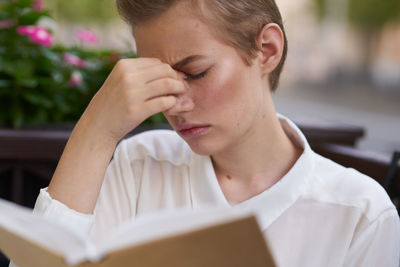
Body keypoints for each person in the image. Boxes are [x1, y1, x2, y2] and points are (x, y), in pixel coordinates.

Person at [10, 0, 400, 266]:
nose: (174, 104)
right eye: (157, 79)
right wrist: (95, 133)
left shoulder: (360, 214)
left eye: (195, 72)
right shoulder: (139, 166)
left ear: (266, 49)